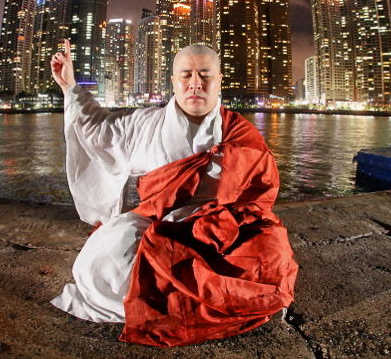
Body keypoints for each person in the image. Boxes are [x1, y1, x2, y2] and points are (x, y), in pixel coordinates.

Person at [50, 40, 297, 347]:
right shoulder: (144, 125)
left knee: (273, 254)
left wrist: (221, 222)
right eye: (186, 74)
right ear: (174, 81)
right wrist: (71, 87)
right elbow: (98, 128)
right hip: (158, 221)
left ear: (219, 81)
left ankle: (173, 298)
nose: (196, 83)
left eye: (205, 75)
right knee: (98, 265)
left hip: (220, 230)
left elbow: (260, 195)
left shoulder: (239, 133)